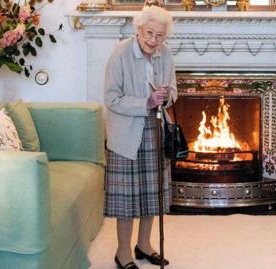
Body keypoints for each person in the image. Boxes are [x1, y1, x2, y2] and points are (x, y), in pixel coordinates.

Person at [103, 6, 176, 269]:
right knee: (127, 199)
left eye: (160, 36)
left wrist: (165, 97)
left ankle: (144, 245)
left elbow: (174, 92)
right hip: (126, 133)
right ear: (139, 29)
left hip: (155, 130)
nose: (154, 40)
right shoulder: (121, 53)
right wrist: (145, 102)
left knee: (151, 194)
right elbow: (111, 99)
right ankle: (123, 253)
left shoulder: (165, 54)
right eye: (149, 33)